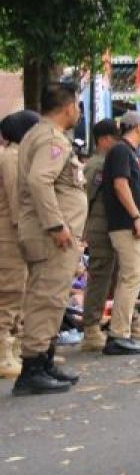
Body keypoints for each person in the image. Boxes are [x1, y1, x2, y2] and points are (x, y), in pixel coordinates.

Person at [13, 84, 87, 395]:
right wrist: (56, 225)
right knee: (46, 298)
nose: (79, 112)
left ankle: (44, 360)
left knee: (53, 297)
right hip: (50, 236)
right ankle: (32, 367)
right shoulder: (51, 138)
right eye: (78, 106)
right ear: (69, 107)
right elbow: (40, 180)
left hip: (50, 235)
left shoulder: (39, 134)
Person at [99, 112, 140, 356]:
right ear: (138, 127)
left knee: (131, 278)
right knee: (132, 278)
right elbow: (120, 186)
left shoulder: (128, 152)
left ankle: (122, 331)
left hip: (130, 225)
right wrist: (136, 217)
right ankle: (119, 334)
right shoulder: (121, 151)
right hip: (126, 225)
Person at [0, 111, 41, 379]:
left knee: (21, 290)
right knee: (10, 291)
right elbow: (17, 202)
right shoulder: (12, 157)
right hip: (10, 233)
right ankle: (3, 353)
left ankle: (13, 350)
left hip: (14, 231)